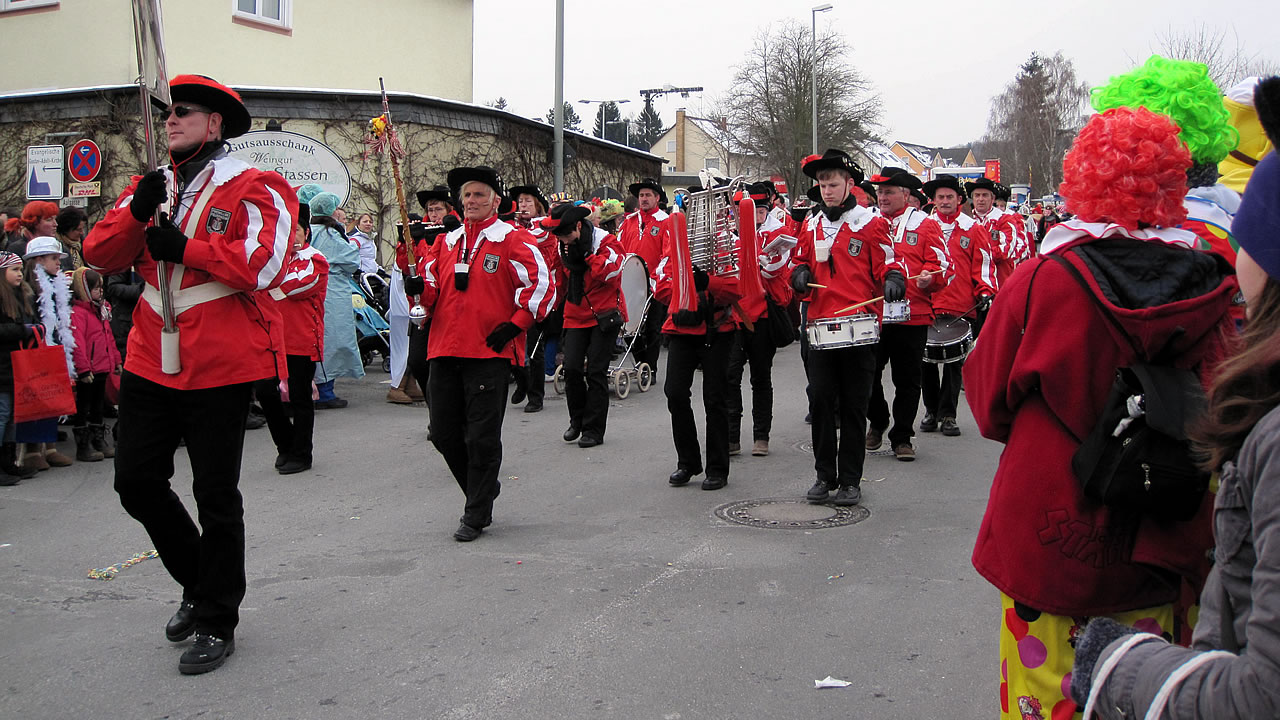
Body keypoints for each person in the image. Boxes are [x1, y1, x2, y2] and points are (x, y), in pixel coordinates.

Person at [963, 107, 1239, 718]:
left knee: (1045, 701)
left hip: (1052, 539)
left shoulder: (1045, 279)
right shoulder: (1214, 287)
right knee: (1153, 695)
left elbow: (987, 405)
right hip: (1168, 533)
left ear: (1082, 179)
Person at [1069, 81, 1280, 718]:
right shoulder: (1210, 272)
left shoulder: (1053, 275)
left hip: (1062, 529)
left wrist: (1121, 667)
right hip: (1179, 526)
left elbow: (992, 396)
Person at [83, 73, 295, 675]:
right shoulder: (151, 185)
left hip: (221, 360)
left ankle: (216, 618)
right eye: (168, 113)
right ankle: (201, 583)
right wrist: (139, 213)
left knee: (215, 494)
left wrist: (189, 248)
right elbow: (99, 254)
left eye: (184, 112)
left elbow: (266, 262)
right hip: (151, 352)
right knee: (136, 481)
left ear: (215, 123)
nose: (171, 120)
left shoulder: (258, 184)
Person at [409, 166, 555, 542]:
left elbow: (542, 284)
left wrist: (516, 323)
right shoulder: (446, 241)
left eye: (479, 195)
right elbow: (430, 289)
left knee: (482, 437)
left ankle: (475, 512)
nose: (471, 201)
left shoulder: (513, 239)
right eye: (467, 196)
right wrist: (418, 288)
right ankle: (483, 488)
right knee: (442, 433)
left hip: (488, 352)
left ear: (494, 200)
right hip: (443, 348)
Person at [790, 149, 905, 507]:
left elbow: (890, 262)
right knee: (822, 402)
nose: (827, 189)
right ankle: (824, 475)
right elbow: (799, 261)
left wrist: (894, 280)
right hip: (821, 326)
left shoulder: (870, 223)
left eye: (833, 183)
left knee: (855, 405)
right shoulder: (811, 224)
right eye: (822, 184)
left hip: (860, 327)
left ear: (850, 185)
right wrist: (800, 274)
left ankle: (851, 480)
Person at [652, 183, 742, 492]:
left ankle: (717, 468)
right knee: (675, 393)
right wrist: (686, 287)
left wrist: (709, 283)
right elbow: (660, 286)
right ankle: (687, 461)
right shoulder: (672, 243)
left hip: (718, 328)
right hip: (682, 327)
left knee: (714, 398)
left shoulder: (726, 240)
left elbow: (738, 288)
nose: (696, 214)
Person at [865, 168, 949, 461]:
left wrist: (929, 278)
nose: (883, 197)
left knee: (908, 379)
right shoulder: (867, 222)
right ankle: (877, 420)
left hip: (912, 314)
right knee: (868, 374)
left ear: (905, 194)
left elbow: (942, 265)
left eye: (889, 192)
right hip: (873, 313)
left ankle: (902, 435)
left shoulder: (925, 224)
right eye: (879, 192)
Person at [919, 175, 996, 437]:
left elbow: (983, 265)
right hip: (928, 304)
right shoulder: (924, 227)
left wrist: (985, 291)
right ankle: (930, 410)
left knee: (954, 364)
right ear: (934, 200)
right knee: (926, 362)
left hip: (961, 307)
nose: (944, 202)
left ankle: (948, 415)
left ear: (959, 200)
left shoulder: (974, 229)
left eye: (949, 197)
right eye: (940, 197)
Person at [545, 203, 625, 448]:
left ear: (579, 226)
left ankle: (594, 429)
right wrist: (549, 306)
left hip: (604, 314)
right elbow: (558, 277)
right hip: (575, 313)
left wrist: (588, 256)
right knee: (572, 370)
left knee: (596, 372)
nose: (563, 240)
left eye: (567, 235)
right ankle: (576, 420)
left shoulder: (605, 241)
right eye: (559, 236)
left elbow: (613, 273)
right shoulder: (562, 246)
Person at [255, 204, 326, 475]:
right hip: (269, 338)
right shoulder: (274, 259)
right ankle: (285, 445)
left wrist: (271, 284)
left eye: (296, 230)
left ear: (305, 232)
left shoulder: (315, 258)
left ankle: (302, 453)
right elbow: (258, 285)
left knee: (299, 397)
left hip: (301, 337)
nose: (291, 236)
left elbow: (296, 287)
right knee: (264, 391)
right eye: (286, 231)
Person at [726, 182, 794, 458]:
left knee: (760, 377)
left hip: (763, 314)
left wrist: (755, 262)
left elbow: (776, 267)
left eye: (758, 211)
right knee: (730, 376)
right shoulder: (728, 236)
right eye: (747, 211)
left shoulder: (778, 232)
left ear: (765, 211)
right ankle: (731, 436)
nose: (753, 216)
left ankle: (761, 435)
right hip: (734, 314)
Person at [17, 237, 75, 471]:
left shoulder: (56, 282)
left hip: (54, 345)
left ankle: (49, 447)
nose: (58, 263)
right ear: (39, 260)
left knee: (52, 394)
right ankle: (32, 450)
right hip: (35, 347)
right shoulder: (28, 288)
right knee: (34, 396)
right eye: (53, 258)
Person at [308, 191, 363, 409]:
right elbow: (351, 260)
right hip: (334, 291)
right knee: (333, 339)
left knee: (317, 337)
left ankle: (316, 387)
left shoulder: (308, 231)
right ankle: (325, 391)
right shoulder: (331, 234)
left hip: (313, 289)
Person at [507, 184, 556, 413]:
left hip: (536, 293)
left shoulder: (544, 229)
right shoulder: (510, 228)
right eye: (521, 201)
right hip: (510, 293)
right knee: (511, 342)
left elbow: (535, 238)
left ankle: (536, 395)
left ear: (538, 206)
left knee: (535, 346)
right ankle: (521, 380)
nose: (524, 205)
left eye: (528, 201)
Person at [618, 178, 671, 381]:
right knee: (629, 327)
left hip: (655, 283)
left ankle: (651, 369)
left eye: (648, 195)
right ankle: (641, 364)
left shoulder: (664, 221)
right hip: (631, 283)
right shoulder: (629, 222)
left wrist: (656, 278)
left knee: (652, 327)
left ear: (657, 198)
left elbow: (667, 254)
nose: (644, 199)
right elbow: (619, 249)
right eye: (641, 195)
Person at [68, 268, 121, 462]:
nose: (100, 291)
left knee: (98, 405)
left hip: (102, 366)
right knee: (84, 405)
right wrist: (82, 368)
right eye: (96, 288)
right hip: (88, 369)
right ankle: (83, 445)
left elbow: (109, 338)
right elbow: (77, 342)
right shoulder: (79, 313)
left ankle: (99, 439)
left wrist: (116, 360)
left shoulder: (102, 309)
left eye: (101, 287)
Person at [0, 251, 38, 482]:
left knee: (13, 416)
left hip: (16, 365)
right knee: (2, 415)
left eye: (20, 269)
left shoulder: (21, 295)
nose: (19, 273)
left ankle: (9, 461)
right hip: (2, 367)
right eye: (13, 269)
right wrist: (23, 330)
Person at [965, 177, 1021, 285]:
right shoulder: (965, 221)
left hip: (999, 281)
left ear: (993, 198)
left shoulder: (1005, 219)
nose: (980, 199)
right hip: (971, 282)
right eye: (977, 195)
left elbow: (1006, 250)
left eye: (985, 195)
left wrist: (976, 255)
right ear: (972, 198)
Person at [56, 206, 88, 271]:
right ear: (65, 229)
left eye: (83, 228)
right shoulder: (57, 248)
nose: (82, 233)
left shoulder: (83, 245)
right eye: (78, 230)